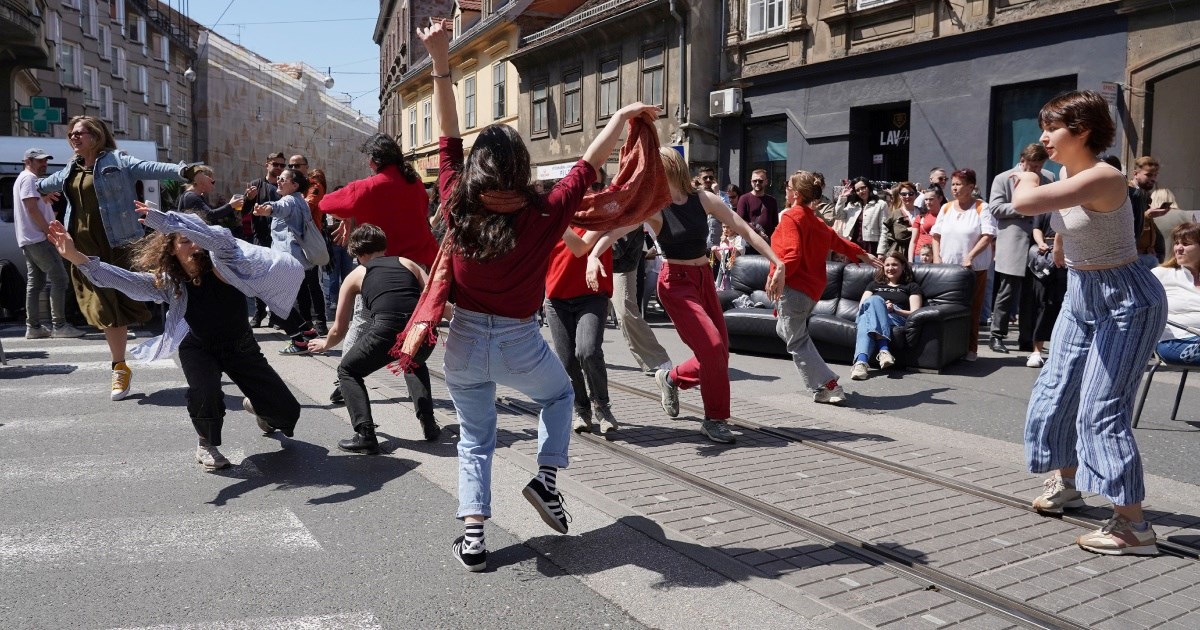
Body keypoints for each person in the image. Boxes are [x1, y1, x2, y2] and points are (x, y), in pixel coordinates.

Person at [413, 19, 659, 572]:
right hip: (521, 340)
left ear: (476, 169)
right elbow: (589, 164)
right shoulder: (547, 213)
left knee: (476, 439)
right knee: (558, 397)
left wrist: (440, 59)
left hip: (464, 343)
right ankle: (546, 481)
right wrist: (620, 118)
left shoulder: (455, 200)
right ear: (523, 168)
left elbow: (447, 135)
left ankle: (473, 540)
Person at [1014, 90, 1167, 556]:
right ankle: (1067, 482)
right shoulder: (1068, 171)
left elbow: (1025, 203)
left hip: (1126, 300)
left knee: (1100, 408)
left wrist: (1027, 169)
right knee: (1056, 388)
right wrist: (1062, 249)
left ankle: (1132, 526)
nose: (1043, 137)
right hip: (1082, 293)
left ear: (1082, 132)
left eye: (1051, 128)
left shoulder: (1104, 175)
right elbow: (1068, 224)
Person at [47, 205, 304, 470]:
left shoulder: (224, 261)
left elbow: (217, 237)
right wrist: (76, 257)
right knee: (205, 394)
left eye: (196, 238)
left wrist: (167, 221)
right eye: (185, 240)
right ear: (171, 249)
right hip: (199, 347)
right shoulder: (170, 282)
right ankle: (206, 444)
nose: (195, 245)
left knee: (287, 414)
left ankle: (259, 406)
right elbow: (124, 281)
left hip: (241, 346)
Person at [590, 148, 784, 441]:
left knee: (719, 351)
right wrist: (593, 256)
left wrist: (777, 261)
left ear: (669, 168)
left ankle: (671, 378)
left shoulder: (703, 199)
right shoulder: (655, 208)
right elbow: (615, 230)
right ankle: (715, 420)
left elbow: (742, 228)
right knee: (713, 346)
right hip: (676, 283)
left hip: (703, 278)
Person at [36, 115, 194, 400]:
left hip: (117, 245)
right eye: (71, 134)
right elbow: (44, 185)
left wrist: (187, 171)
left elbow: (151, 168)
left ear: (96, 136)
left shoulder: (117, 161)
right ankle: (119, 367)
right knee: (106, 310)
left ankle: (197, 345)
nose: (73, 138)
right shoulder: (72, 168)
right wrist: (42, 191)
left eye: (79, 133)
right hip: (82, 250)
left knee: (128, 304)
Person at [307, 224, 440, 454]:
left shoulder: (357, 273)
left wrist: (325, 343)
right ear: (383, 246)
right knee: (412, 361)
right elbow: (434, 297)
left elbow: (339, 329)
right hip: (422, 330)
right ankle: (428, 423)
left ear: (357, 253)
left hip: (388, 330)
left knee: (348, 371)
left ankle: (365, 435)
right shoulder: (408, 263)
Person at [770, 171, 878, 402]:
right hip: (810, 292)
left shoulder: (791, 216)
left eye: (788, 186)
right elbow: (838, 241)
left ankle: (829, 385)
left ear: (796, 194)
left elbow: (792, 253)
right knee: (785, 331)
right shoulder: (814, 220)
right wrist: (864, 254)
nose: (785, 189)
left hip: (793, 288)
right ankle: (824, 386)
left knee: (796, 341)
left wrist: (779, 273)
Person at [545, 228, 620, 435]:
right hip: (556, 298)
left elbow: (581, 247)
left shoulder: (596, 209)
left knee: (587, 350)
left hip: (592, 295)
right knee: (567, 360)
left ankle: (602, 407)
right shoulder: (550, 207)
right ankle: (581, 409)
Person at [15, 147, 83, 340]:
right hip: (38, 239)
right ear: (28, 161)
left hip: (28, 239)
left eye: (45, 161)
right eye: (40, 161)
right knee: (60, 279)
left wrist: (43, 198)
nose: (44, 164)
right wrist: (48, 231)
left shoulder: (23, 178)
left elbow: (31, 204)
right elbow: (31, 209)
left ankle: (34, 327)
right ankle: (59, 326)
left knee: (35, 283)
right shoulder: (29, 179)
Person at [251, 167, 321, 355]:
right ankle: (307, 331)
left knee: (276, 304)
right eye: (278, 178)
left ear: (295, 185)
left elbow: (279, 208)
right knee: (284, 302)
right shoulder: (301, 201)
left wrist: (267, 209)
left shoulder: (289, 200)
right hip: (296, 262)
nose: (278, 181)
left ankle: (298, 342)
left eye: (283, 179)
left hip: (287, 262)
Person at [931, 168, 995, 361]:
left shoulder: (982, 207)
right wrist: (936, 258)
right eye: (953, 184)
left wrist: (970, 256)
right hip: (948, 269)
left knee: (972, 309)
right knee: (947, 308)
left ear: (971, 186)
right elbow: (936, 235)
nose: (955, 188)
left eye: (959, 184)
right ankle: (950, 347)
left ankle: (971, 348)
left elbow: (987, 236)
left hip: (973, 268)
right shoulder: (946, 208)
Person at [850, 253, 923, 380]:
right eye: (887, 265)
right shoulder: (874, 285)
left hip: (895, 317)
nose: (890, 268)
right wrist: (881, 305)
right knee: (874, 301)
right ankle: (883, 350)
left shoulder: (911, 286)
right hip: (871, 314)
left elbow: (915, 312)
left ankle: (860, 363)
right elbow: (863, 307)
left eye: (895, 264)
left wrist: (895, 309)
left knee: (865, 321)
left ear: (903, 266)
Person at [610, 227, 672, 376]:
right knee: (588, 309)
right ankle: (575, 354)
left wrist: (588, 246)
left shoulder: (633, 205)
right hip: (591, 260)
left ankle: (656, 357)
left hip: (620, 265)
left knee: (625, 312)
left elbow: (619, 245)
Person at [1150, 223, 1200, 365]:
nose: (1178, 248)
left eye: (1186, 243)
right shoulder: (1161, 275)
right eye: (1177, 243)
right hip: (1174, 341)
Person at [245, 152, 285, 327]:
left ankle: (276, 316)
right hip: (260, 237)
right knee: (259, 277)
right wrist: (249, 199)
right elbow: (244, 212)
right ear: (267, 165)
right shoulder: (256, 185)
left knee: (277, 278)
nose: (278, 168)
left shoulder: (286, 186)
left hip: (281, 239)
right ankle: (259, 312)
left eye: (282, 165)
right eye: (275, 164)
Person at [1025, 213, 1067, 368]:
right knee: (1043, 303)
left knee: (1065, 305)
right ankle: (1037, 351)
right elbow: (1036, 228)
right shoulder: (1045, 207)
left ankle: (1060, 351)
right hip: (1045, 256)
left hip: (1068, 256)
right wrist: (1041, 242)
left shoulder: (1074, 205)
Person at [834, 176, 888, 254]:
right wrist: (843, 197)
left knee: (870, 266)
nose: (861, 191)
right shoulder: (852, 205)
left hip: (871, 245)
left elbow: (884, 230)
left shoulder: (880, 204)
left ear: (869, 187)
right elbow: (838, 215)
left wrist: (881, 251)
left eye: (863, 188)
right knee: (851, 266)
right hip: (853, 243)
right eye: (858, 190)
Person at [735, 169, 778, 254]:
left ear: (766, 182)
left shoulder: (772, 201)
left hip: (767, 244)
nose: (757, 183)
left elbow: (775, 224)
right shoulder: (744, 199)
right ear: (751, 182)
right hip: (750, 243)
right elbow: (740, 221)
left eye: (760, 181)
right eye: (755, 181)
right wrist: (757, 231)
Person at [881, 181, 918, 261]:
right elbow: (900, 235)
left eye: (911, 193)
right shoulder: (895, 213)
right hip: (901, 252)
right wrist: (916, 230)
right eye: (904, 194)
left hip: (919, 252)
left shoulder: (922, 212)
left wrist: (908, 229)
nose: (907, 196)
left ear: (915, 195)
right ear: (899, 196)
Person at [912, 183, 944, 264]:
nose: (928, 202)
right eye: (926, 199)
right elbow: (913, 241)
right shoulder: (921, 216)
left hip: (938, 255)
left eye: (931, 199)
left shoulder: (946, 216)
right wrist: (910, 260)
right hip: (920, 255)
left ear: (940, 198)